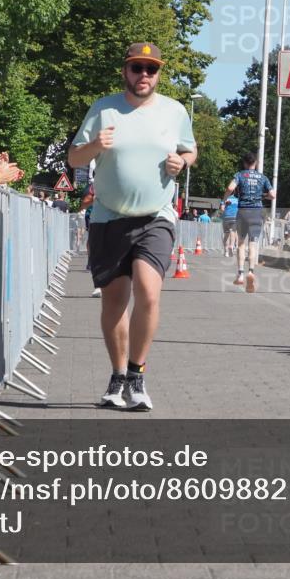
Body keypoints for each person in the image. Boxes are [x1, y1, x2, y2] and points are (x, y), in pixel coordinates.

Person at [67, 42, 196, 411]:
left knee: (148, 290)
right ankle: (118, 375)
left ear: (159, 74)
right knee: (114, 301)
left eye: (151, 69)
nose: (144, 75)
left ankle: (137, 375)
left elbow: (191, 149)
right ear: (125, 70)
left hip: (156, 216)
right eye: (137, 68)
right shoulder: (104, 108)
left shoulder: (174, 111)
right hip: (108, 216)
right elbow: (74, 157)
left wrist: (181, 162)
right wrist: (95, 144)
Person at [223, 153, 275, 292]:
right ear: (256, 163)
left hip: (243, 212)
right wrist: (263, 195)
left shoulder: (240, 175)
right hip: (257, 212)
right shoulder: (263, 177)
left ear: (245, 163)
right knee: (253, 243)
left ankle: (240, 274)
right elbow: (273, 195)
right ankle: (251, 272)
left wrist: (223, 201)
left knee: (241, 243)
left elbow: (230, 188)